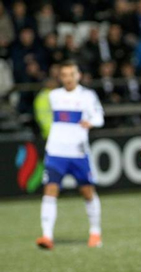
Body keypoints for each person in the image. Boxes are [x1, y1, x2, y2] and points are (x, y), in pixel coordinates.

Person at [36, 60, 104, 250]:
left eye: (71, 74)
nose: (67, 78)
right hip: (56, 151)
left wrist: (91, 122)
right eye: (64, 75)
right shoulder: (54, 96)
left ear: (78, 76)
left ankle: (95, 232)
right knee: (50, 190)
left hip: (78, 152)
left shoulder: (87, 96)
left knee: (87, 192)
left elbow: (99, 116)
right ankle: (47, 236)